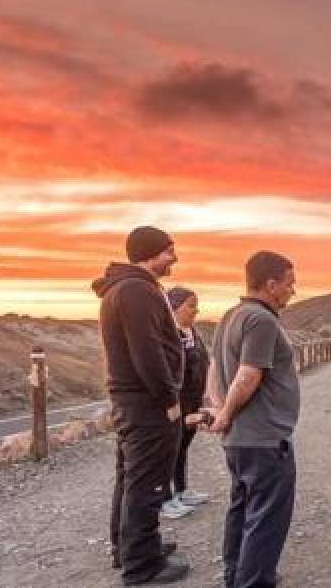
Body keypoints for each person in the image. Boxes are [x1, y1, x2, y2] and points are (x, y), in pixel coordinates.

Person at [93, 226, 189, 585]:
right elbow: (146, 352)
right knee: (147, 482)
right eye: (169, 251)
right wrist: (169, 400)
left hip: (132, 401)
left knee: (132, 477)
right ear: (151, 253)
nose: (174, 258)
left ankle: (130, 547)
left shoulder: (125, 289)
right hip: (147, 404)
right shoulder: (137, 290)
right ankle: (142, 567)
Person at [207, 251, 300, 588]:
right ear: (271, 284)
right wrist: (225, 414)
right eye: (290, 283)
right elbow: (247, 376)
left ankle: (236, 577)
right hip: (264, 439)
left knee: (242, 511)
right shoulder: (261, 320)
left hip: (241, 440)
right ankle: (254, 582)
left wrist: (220, 411)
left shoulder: (230, 316)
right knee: (266, 521)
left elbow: (215, 370)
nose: (293, 290)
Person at [161, 285, 211, 519]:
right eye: (190, 306)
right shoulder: (170, 336)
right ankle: (165, 498)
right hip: (176, 403)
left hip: (192, 402)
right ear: (173, 308)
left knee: (183, 447)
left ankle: (181, 489)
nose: (195, 310)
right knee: (169, 450)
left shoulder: (193, 334)